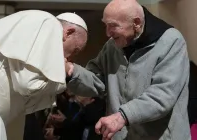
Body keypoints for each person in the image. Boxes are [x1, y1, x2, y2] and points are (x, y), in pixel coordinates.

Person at [0, 10, 87, 140]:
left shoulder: (35, 21)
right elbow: (28, 85)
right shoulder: (50, 25)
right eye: (75, 50)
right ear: (68, 32)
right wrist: (63, 76)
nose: (70, 58)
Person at [65, 0, 190, 140]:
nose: (108, 33)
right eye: (105, 25)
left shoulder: (171, 41)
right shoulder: (112, 46)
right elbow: (96, 80)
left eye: (113, 26)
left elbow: (163, 94)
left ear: (136, 23)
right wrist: (70, 70)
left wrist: (122, 116)